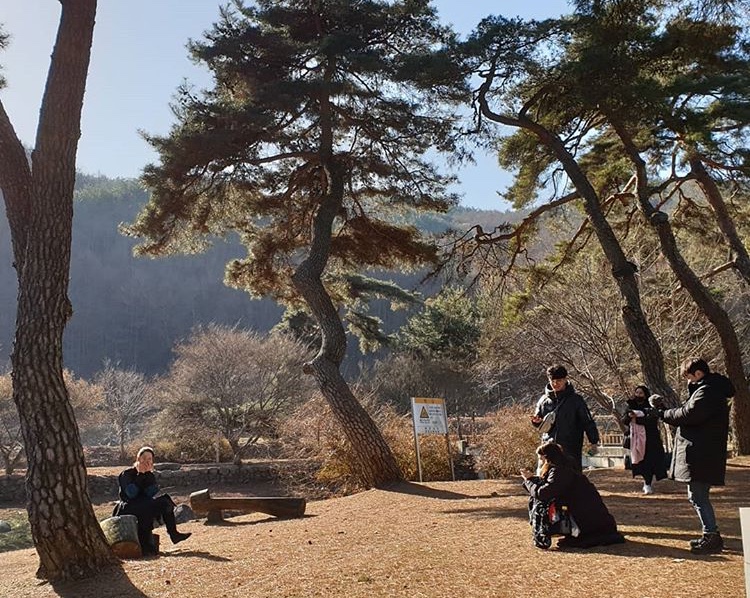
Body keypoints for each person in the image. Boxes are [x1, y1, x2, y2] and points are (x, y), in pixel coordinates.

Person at [650, 357, 734, 555]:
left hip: (702, 453)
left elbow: (688, 415)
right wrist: (665, 411)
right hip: (703, 452)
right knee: (697, 495)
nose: (688, 381)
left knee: (698, 496)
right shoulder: (709, 389)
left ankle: (711, 535)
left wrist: (662, 413)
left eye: (688, 377)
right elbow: (686, 413)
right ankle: (710, 534)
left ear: (698, 373)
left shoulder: (707, 391)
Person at [521, 442, 625, 549]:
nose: (540, 462)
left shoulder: (559, 470)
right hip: (592, 515)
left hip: (585, 517)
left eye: (541, 459)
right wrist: (532, 480)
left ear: (547, 458)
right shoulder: (566, 466)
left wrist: (529, 481)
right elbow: (550, 486)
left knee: (540, 503)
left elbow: (543, 493)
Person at [114, 446, 192, 555]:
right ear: (138, 459)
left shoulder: (149, 475)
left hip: (145, 505)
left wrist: (148, 476)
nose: (147, 461)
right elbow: (131, 494)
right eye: (144, 458)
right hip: (128, 507)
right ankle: (150, 544)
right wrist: (140, 474)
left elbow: (150, 493)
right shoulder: (126, 474)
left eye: (149, 459)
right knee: (151, 505)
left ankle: (173, 534)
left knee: (165, 501)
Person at [531, 364, 600, 471]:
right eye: (552, 380)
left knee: (571, 477)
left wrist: (594, 441)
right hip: (548, 447)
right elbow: (539, 422)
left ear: (565, 379)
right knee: (546, 477)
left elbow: (587, 422)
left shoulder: (576, 400)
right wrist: (536, 422)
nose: (555, 384)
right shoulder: (543, 400)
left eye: (559, 380)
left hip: (570, 448)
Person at [621, 384, 667, 494]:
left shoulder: (651, 405)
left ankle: (648, 482)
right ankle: (646, 480)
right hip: (635, 439)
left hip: (650, 439)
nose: (638, 395)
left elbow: (653, 419)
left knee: (649, 461)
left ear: (645, 394)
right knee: (640, 461)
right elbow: (624, 420)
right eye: (636, 393)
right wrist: (629, 416)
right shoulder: (630, 405)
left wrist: (637, 419)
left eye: (641, 393)